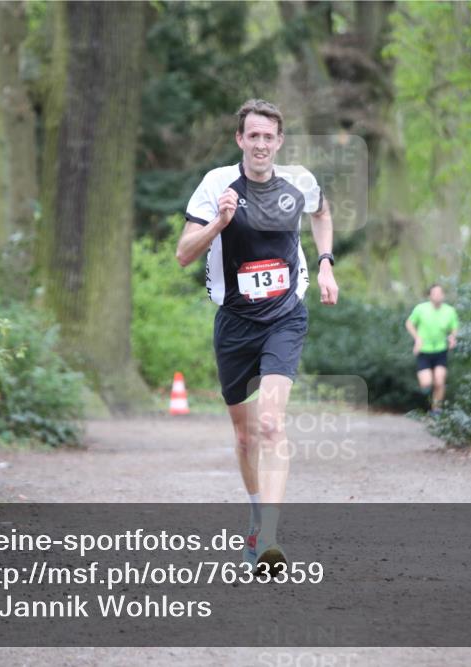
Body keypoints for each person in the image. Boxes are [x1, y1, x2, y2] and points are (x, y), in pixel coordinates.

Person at [175, 99, 338, 571]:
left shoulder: (299, 181)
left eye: (269, 136)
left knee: (270, 423)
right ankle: (255, 515)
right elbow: (183, 254)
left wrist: (326, 264)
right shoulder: (216, 185)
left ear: (279, 141)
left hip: (285, 317)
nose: (261, 144)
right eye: (253, 136)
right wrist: (219, 223)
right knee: (245, 436)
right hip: (234, 321)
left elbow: (322, 212)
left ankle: (269, 538)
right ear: (240, 140)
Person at [405, 284, 458, 416]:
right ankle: (428, 390)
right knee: (426, 383)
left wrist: (452, 337)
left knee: (439, 381)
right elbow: (409, 323)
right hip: (424, 351)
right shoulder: (420, 309)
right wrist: (417, 338)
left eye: (440, 293)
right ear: (429, 296)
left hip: (440, 351)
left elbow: (454, 327)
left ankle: (436, 410)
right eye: (434, 293)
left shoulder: (450, 311)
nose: (437, 296)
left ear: (443, 295)